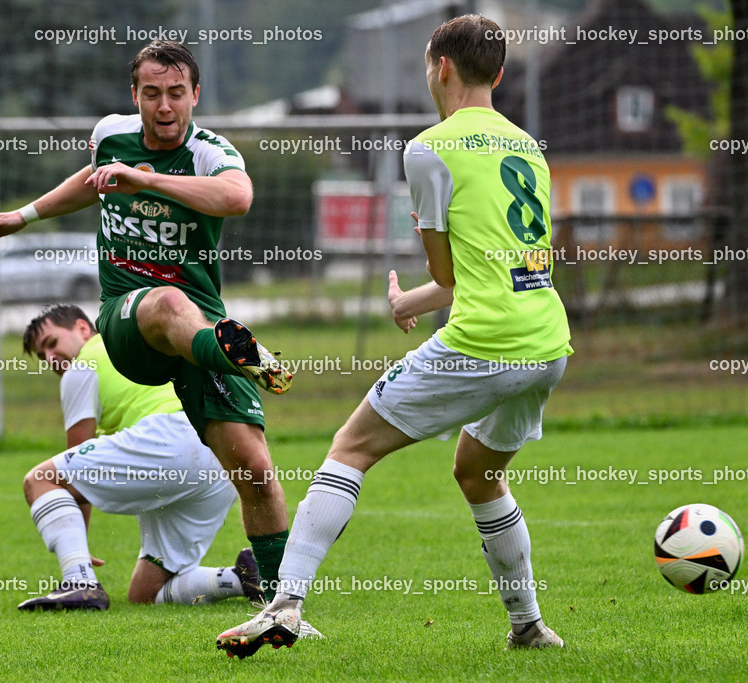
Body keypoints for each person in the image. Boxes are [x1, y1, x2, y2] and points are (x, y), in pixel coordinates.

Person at [217, 14, 572, 657]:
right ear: (498, 73)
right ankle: (529, 628)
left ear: (441, 68)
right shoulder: (527, 148)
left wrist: (421, 255)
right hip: (545, 343)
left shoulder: (429, 147)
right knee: (479, 473)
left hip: (484, 344)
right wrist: (409, 301)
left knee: (350, 446)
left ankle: (285, 606)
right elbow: (485, 271)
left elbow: (446, 270)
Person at [0, 41, 293, 600]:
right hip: (128, 315)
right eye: (151, 94)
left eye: (176, 94)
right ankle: (238, 354)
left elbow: (237, 197)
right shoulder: (112, 135)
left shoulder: (211, 151)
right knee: (165, 301)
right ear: (134, 96)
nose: (164, 106)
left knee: (257, 471)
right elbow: (90, 178)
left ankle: (284, 604)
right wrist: (18, 218)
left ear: (196, 96)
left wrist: (148, 181)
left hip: (200, 326)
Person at [16, 303, 263, 610]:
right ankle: (244, 577)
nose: (50, 358)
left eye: (52, 344)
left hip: (171, 442)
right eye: (42, 356)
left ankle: (79, 583)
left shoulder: (81, 366)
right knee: (147, 591)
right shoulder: (130, 346)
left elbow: (71, 460)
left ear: (82, 328)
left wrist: (77, 548)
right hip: (218, 455)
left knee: (40, 480)